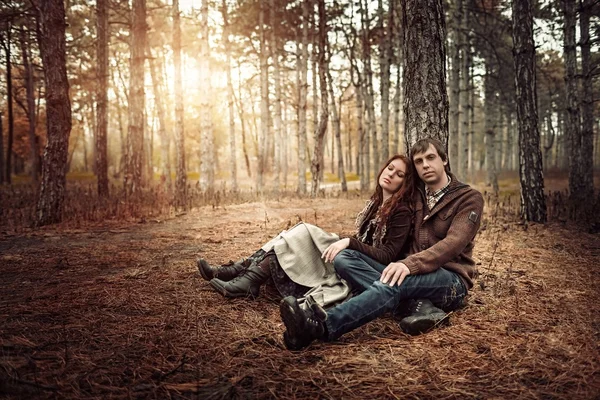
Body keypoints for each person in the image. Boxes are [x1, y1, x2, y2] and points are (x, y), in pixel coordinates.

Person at [279, 137, 484, 350]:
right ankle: (414, 306)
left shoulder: (468, 198)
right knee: (345, 258)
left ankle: (321, 326)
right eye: (419, 161)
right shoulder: (417, 196)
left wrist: (409, 264)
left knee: (391, 283)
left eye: (431, 158)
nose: (425, 165)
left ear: (444, 160)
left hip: (449, 278)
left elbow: (454, 243)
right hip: (411, 272)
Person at [196, 154, 415, 307]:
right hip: (356, 255)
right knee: (296, 233)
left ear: (405, 183)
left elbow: (388, 255)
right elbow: (363, 239)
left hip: (365, 268)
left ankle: (245, 276)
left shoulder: (402, 211)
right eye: (390, 168)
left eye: (399, 174)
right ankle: (240, 271)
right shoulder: (377, 204)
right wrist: (346, 240)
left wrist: (348, 242)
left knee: (302, 233)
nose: (391, 174)